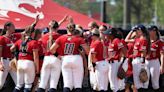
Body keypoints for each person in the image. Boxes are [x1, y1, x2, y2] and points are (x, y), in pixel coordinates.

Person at [50, 23, 89, 92]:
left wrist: (58, 56)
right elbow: (88, 51)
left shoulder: (61, 38)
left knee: (67, 84)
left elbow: (51, 49)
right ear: (74, 29)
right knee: (77, 85)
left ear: (66, 29)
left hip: (66, 59)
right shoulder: (79, 39)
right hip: (77, 58)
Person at [11, 25, 40, 92]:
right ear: (33, 33)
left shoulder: (20, 40)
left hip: (20, 62)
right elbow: (36, 57)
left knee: (19, 85)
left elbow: (11, 48)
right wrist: (37, 69)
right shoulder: (34, 42)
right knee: (28, 85)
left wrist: (16, 54)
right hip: (28, 63)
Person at [37, 20, 61, 92]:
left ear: (49, 27)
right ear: (57, 27)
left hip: (46, 59)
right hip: (56, 58)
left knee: (42, 84)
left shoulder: (43, 36)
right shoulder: (60, 36)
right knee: (53, 85)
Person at [128, 25, 151, 91]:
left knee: (140, 83)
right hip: (136, 60)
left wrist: (142, 64)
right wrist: (131, 30)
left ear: (141, 30)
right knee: (138, 83)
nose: (136, 31)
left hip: (139, 61)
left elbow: (143, 52)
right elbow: (126, 40)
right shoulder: (138, 39)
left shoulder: (143, 39)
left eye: (137, 30)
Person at [145, 25, 164, 91]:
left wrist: (162, 66)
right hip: (145, 62)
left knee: (155, 84)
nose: (148, 31)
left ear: (154, 31)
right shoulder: (146, 41)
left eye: (150, 30)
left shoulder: (160, 42)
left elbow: (162, 55)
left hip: (154, 62)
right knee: (144, 82)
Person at [0, 22, 17, 90]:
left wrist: (35, 22)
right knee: (1, 83)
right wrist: (0, 64)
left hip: (12, 62)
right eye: (13, 26)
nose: (14, 27)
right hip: (4, 61)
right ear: (7, 27)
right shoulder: (2, 38)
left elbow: (27, 31)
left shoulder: (14, 37)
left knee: (18, 83)